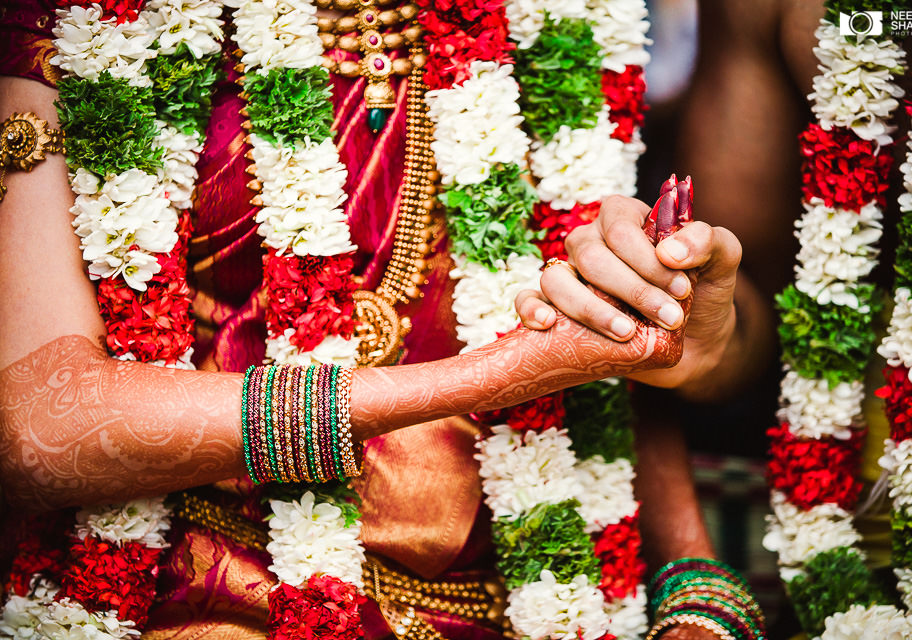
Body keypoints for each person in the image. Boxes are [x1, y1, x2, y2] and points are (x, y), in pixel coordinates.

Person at [0, 0, 767, 638]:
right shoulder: (87, 25)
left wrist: (695, 584)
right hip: (214, 589)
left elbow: (624, 358)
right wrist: (490, 377)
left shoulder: (555, 21)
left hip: (535, 590)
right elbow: (33, 428)